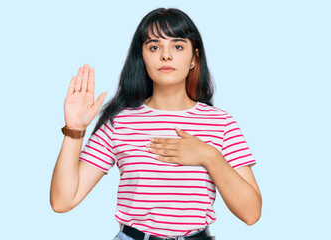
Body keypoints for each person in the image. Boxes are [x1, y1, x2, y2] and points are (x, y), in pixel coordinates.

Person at [50, 7, 262, 240]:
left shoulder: (221, 123)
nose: (166, 55)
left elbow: (251, 213)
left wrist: (209, 156)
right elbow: (63, 201)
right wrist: (75, 129)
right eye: (154, 47)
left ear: (194, 58)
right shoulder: (120, 122)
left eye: (178, 46)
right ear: (141, 57)